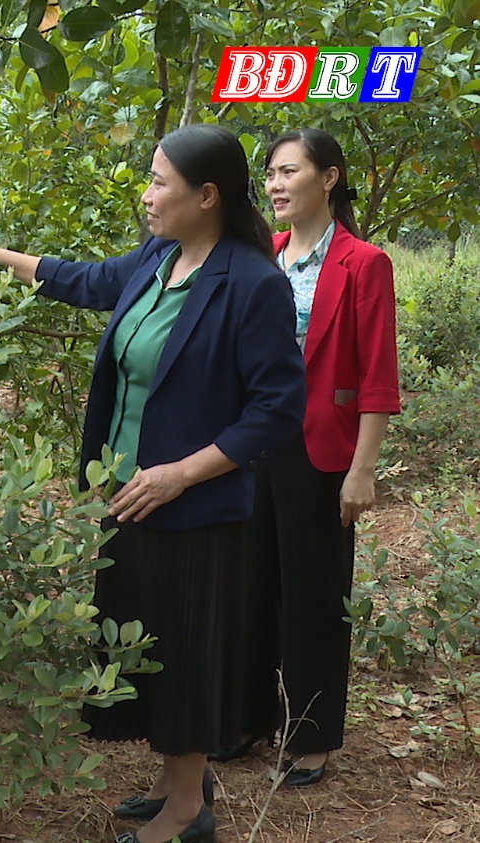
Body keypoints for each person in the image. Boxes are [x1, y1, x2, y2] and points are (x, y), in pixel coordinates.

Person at [0, 124, 306, 843]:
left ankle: (187, 812)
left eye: (160, 181)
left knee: (187, 653)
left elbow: (276, 411)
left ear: (205, 196)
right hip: (130, 499)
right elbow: (84, 278)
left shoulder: (252, 283)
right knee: (148, 647)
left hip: (196, 508)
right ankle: (176, 779)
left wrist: (180, 474)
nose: (147, 194)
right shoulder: (157, 258)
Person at [249, 128, 400, 786]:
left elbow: (376, 376)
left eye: (289, 171)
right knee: (252, 588)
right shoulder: (267, 256)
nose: (276, 185)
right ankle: (249, 717)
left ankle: (309, 738)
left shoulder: (364, 263)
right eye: (271, 175)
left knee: (313, 593)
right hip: (254, 447)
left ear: (329, 178)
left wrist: (362, 469)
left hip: (322, 451)